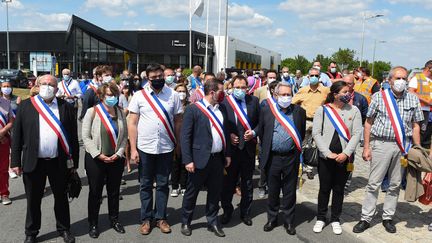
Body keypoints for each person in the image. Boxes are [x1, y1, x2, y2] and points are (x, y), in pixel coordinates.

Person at [353, 66, 423, 234]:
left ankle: (388, 217)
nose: (401, 82)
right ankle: (366, 217)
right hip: (381, 145)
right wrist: (366, 147)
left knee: (395, 184)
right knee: (374, 183)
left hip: (402, 147)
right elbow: (368, 123)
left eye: (404, 79)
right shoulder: (379, 97)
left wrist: (418, 148)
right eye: (398, 78)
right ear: (390, 80)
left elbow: (416, 126)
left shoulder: (413, 99)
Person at [10, 74, 79, 243]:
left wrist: (74, 165)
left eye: (51, 84)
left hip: (58, 162)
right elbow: (17, 136)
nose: (47, 86)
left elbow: (73, 139)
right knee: (33, 200)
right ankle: (31, 232)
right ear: (38, 86)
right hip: (34, 162)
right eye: (44, 83)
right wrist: (15, 162)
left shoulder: (66, 107)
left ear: (57, 89)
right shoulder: (26, 106)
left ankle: (64, 229)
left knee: (61, 198)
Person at [128, 64, 183, 235]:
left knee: (162, 184)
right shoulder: (139, 96)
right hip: (145, 147)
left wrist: (178, 145)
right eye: (154, 77)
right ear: (148, 78)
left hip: (166, 147)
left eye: (161, 76)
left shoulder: (173, 95)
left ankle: (161, 218)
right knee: (145, 185)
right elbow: (132, 123)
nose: (158, 79)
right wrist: (133, 149)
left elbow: (178, 121)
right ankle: (146, 218)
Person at [180, 78, 231, 237]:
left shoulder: (221, 108)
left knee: (215, 193)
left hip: (217, 158)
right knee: (192, 192)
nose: (224, 94)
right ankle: (186, 221)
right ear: (212, 92)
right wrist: (188, 160)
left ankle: (212, 221)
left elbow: (226, 133)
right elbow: (185, 137)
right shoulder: (193, 109)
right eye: (222, 91)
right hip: (198, 159)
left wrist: (227, 153)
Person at [255, 81, 306, 235]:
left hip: (291, 157)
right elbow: (263, 133)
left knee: (290, 191)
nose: (286, 97)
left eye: (288, 94)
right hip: (273, 157)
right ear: (275, 95)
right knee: (273, 190)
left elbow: (301, 134)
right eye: (282, 94)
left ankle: (289, 221)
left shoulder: (299, 112)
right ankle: (272, 218)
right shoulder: (267, 110)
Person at [312, 81, 362, 235]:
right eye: (345, 91)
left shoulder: (354, 111)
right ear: (335, 94)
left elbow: (356, 134)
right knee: (324, 188)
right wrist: (327, 153)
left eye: (349, 91)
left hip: (344, 157)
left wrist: (346, 153)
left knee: (339, 190)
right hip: (326, 157)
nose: (348, 94)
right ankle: (321, 217)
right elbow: (316, 133)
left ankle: (335, 219)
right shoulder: (323, 110)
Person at [81, 82, 128, 238]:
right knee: (95, 192)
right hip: (96, 159)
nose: (112, 98)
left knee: (114, 191)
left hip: (116, 158)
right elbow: (85, 137)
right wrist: (97, 154)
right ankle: (93, 223)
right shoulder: (92, 112)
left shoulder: (121, 112)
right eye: (109, 95)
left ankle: (114, 219)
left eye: (114, 95)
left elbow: (124, 137)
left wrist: (119, 153)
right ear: (101, 96)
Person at [221, 75, 260, 226]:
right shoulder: (224, 102)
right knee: (228, 183)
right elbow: (220, 124)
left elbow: (260, 123)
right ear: (231, 87)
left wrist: (254, 133)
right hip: (231, 151)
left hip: (248, 150)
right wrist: (228, 135)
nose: (240, 90)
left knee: (247, 183)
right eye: (237, 87)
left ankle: (245, 213)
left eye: (243, 87)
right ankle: (227, 211)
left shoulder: (254, 101)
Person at [292, 68, 330, 179]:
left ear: (319, 77)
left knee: (314, 146)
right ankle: (298, 165)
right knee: (302, 144)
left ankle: (309, 167)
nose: (314, 78)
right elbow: (292, 103)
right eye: (312, 75)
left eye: (316, 76)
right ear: (308, 77)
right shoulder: (303, 90)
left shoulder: (325, 91)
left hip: (319, 122)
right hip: (305, 121)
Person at [170, 83, 190, 197]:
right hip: (173, 137)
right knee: (174, 163)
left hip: (186, 138)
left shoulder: (190, 106)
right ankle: (174, 186)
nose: (181, 93)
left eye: (183, 91)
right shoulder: (171, 106)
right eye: (179, 91)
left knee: (184, 163)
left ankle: (183, 185)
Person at [408, 60, 432, 149]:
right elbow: (411, 92)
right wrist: (427, 102)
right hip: (420, 109)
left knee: (426, 133)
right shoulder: (417, 78)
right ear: (429, 68)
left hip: (429, 111)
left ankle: (424, 153)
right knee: (419, 131)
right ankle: (415, 150)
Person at [1, 79, 21, 179]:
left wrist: (18, 105)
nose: (6, 88)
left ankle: (12, 167)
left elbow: (21, 113)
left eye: (8, 86)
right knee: (6, 150)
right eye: (4, 86)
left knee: (13, 148)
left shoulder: (16, 99)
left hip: (14, 126)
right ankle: (9, 169)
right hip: (3, 127)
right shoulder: (1, 100)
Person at [0, 88, 14, 205]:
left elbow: (11, 121)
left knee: (3, 169)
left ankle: (4, 193)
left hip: (3, 139)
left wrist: (2, 132)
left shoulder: (6, 103)